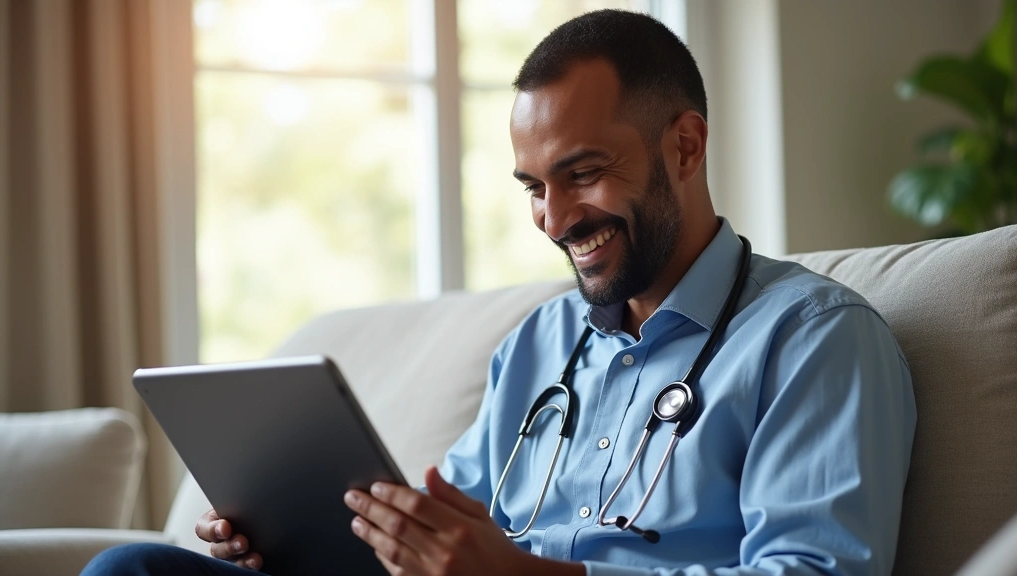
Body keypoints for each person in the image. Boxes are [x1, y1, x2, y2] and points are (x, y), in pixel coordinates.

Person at [82, 9, 915, 576]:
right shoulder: (541, 342)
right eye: (532, 186)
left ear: (686, 147)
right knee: (135, 568)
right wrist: (311, 537)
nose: (554, 220)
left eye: (583, 174)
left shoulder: (813, 339)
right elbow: (453, 531)